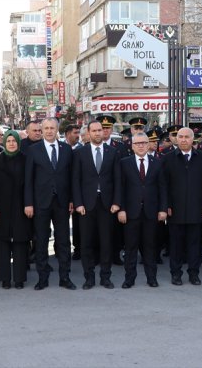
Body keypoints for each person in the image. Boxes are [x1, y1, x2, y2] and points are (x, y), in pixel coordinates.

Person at [24, 117, 74, 290]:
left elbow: (72, 178)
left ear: (57, 129)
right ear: (42, 130)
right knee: (41, 241)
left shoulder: (67, 149)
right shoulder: (33, 150)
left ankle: (65, 277)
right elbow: (28, 179)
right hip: (40, 203)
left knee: (63, 242)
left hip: (62, 203)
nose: (49, 131)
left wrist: (72, 200)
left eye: (52, 128)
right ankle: (42, 278)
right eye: (46, 128)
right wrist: (28, 203)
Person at [114, 132, 166, 288]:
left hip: (151, 212)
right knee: (130, 247)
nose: (141, 145)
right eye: (137, 143)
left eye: (144, 142)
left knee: (150, 247)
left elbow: (163, 188)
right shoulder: (124, 163)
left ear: (149, 144)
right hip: (130, 213)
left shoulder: (157, 162)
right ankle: (129, 278)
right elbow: (120, 188)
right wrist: (121, 209)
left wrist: (163, 209)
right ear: (132, 145)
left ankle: (152, 278)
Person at [73, 120, 119, 290]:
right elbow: (75, 180)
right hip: (86, 204)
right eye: (94, 131)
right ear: (89, 133)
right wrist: (78, 203)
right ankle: (89, 277)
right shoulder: (80, 153)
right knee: (86, 243)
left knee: (106, 242)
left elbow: (117, 180)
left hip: (107, 205)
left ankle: (105, 277)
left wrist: (116, 202)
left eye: (100, 130)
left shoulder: (112, 152)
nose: (98, 133)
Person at [160, 127, 202, 286]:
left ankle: (194, 274)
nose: (183, 140)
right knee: (175, 245)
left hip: (196, 208)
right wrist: (166, 205)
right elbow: (163, 185)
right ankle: (176, 274)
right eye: (180, 136)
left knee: (195, 245)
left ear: (192, 139)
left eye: (186, 137)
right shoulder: (167, 158)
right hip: (175, 209)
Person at [0, 130, 32, 289]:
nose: (11, 144)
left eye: (14, 141)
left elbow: (29, 183)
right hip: (2, 207)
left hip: (21, 206)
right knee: (3, 243)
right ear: (4, 143)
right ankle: (5, 279)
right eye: (8, 141)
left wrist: (29, 204)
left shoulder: (26, 159)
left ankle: (20, 278)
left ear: (18, 142)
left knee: (21, 242)